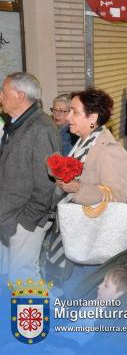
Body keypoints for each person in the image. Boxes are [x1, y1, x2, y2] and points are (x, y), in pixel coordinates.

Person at [48, 88, 127, 290]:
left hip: (90, 241)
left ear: (92, 117)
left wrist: (78, 188)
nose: (68, 117)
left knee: (79, 298)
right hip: (73, 235)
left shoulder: (109, 151)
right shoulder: (84, 143)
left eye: (74, 112)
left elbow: (118, 196)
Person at [0, 72, 60, 281]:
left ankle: (36, 314)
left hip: (26, 220)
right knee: (20, 279)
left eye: (4, 92)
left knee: (23, 280)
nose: (0, 96)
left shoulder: (41, 128)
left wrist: (25, 222)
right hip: (11, 218)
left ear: (20, 95)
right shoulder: (18, 123)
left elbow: (47, 183)